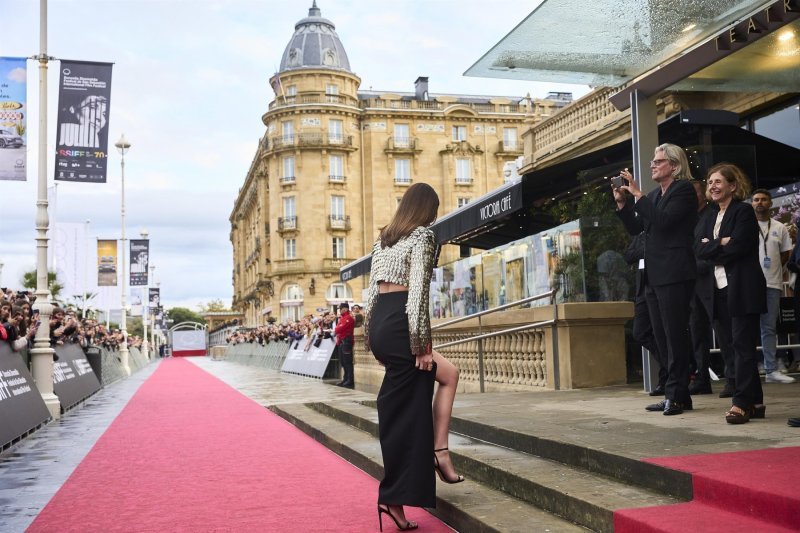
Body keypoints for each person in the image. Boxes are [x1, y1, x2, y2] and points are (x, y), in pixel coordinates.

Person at [364, 182, 462, 531]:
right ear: (427, 210)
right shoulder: (422, 237)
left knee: (446, 376)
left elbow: (371, 296)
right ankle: (394, 496)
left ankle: (438, 453)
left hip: (383, 324)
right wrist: (420, 343)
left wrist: (371, 339)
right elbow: (418, 289)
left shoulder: (384, 239)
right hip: (403, 324)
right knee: (408, 414)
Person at [614, 143, 698, 415]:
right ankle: (676, 393)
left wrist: (638, 194)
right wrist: (623, 203)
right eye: (653, 160)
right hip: (653, 275)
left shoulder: (683, 190)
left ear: (674, 165)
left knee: (675, 335)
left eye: (658, 161)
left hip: (674, 273)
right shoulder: (655, 194)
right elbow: (638, 227)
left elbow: (663, 222)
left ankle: (677, 394)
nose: (652, 165)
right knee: (661, 337)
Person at [696, 163, 766, 424]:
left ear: (732, 186)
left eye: (718, 182)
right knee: (732, 347)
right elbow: (697, 249)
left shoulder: (743, 211)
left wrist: (713, 246)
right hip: (718, 290)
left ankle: (741, 403)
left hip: (742, 289)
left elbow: (739, 247)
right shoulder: (709, 216)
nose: (712, 186)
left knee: (742, 347)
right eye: (709, 182)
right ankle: (756, 402)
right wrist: (721, 242)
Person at [751, 189, 796, 384]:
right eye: (756, 200)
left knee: (768, 328)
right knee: (747, 328)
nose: (760, 203)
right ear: (752, 204)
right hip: (750, 284)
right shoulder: (747, 225)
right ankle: (749, 370)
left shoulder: (780, 227)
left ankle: (770, 369)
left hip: (772, 282)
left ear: (770, 203)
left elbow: (786, 254)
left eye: (763, 200)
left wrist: (775, 267)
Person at [623, 231, 665, 396]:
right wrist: (645, 249)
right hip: (643, 288)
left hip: (659, 285)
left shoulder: (660, 229)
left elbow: (658, 251)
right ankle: (670, 365)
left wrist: (644, 250)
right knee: (639, 332)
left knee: (662, 334)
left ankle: (667, 376)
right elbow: (628, 256)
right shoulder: (640, 234)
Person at [334, 302, 355, 388]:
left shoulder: (348, 318)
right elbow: (337, 329)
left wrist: (337, 328)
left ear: (345, 309)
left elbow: (339, 329)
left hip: (346, 341)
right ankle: (345, 379)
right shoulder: (342, 318)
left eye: (341, 309)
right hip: (341, 342)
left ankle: (350, 380)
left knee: (347, 362)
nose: (339, 311)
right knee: (343, 362)